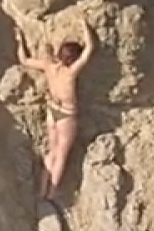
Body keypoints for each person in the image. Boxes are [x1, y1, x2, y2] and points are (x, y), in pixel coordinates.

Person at [16, 17, 95, 205]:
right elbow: (90, 49)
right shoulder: (71, 72)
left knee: (51, 151)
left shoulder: (49, 67)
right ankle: (51, 194)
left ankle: (42, 189)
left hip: (52, 110)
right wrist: (84, 25)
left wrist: (20, 40)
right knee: (61, 155)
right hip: (67, 114)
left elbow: (24, 59)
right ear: (73, 59)